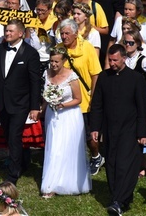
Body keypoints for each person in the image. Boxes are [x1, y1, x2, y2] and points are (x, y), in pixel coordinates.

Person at [89, 45, 146, 216]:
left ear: (124, 58)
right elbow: (97, 104)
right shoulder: (104, 77)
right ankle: (118, 196)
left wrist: (142, 133)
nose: (112, 63)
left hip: (129, 129)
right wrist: (95, 127)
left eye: (115, 60)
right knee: (112, 163)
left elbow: (142, 108)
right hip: (109, 128)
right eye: (110, 60)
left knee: (125, 164)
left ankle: (118, 201)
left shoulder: (136, 78)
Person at [0, 20, 41, 184]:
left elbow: (35, 82)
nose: (7, 33)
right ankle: (23, 161)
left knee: (14, 136)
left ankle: (12, 176)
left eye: (10, 31)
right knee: (10, 136)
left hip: (20, 103)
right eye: (6, 31)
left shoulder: (30, 53)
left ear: (20, 33)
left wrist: (34, 106)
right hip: (2, 101)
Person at [40, 46, 90, 198]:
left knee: (65, 148)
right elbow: (45, 95)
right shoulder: (47, 73)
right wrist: (42, 109)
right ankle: (51, 182)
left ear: (64, 61)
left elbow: (78, 99)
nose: (53, 65)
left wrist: (62, 104)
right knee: (53, 147)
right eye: (51, 61)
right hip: (52, 114)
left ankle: (65, 181)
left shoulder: (71, 76)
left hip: (69, 115)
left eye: (56, 62)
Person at [58, 19, 104, 176]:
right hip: (65, 100)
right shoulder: (59, 49)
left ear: (76, 33)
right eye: (62, 33)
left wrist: (95, 97)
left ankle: (96, 156)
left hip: (85, 100)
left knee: (88, 136)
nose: (64, 37)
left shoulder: (87, 48)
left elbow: (95, 74)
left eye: (67, 33)